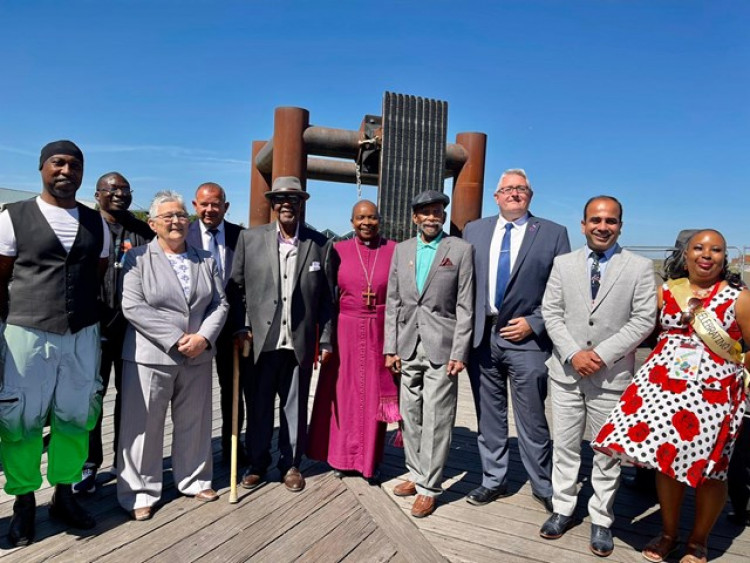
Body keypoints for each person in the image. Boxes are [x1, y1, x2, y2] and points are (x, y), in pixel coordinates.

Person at [592, 229, 750, 563]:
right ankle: (668, 533)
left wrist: (741, 384)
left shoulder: (739, 297)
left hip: (714, 395)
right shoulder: (667, 291)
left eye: (716, 249)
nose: (706, 255)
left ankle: (698, 540)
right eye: (699, 248)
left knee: (711, 471)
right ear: (686, 254)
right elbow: (641, 329)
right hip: (664, 391)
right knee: (666, 463)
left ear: (724, 257)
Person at [0, 140, 110, 546]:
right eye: (57, 163)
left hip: (81, 334)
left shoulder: (96, 222)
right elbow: (2, 275)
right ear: (42, 168)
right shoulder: (13, 217)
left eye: (75, 165)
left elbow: (95, 275)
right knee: (21, 420)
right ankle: (24, 501)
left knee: (76, 417)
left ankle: (63, 494)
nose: (66, 171)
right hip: (26, 331)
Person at [539, 196, 657, 557]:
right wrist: (574, 353)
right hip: (566, 372)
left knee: (606, 453)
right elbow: (551, 311)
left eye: (610, 221)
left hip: (611, 376)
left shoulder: (638, 267)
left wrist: (601, 355)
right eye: (595, 220)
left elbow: (643, 320)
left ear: (621, 224)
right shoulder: (563, 263)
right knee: (566, 445)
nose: (602, 226)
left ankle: (601, 520)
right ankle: (563, 508)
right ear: (583, 224)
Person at [117, 191, 228, 521]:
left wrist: (204, 337)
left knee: (195, 422)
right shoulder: (136, 258)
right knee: (144, 427)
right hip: (150, 356)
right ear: (152, 224)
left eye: (181, 215)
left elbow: (219, 304)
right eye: (168, 216)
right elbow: (132, 306)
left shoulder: (205, 259)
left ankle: (194, 479)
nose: (177, 221)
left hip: (197, 355)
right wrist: (178, 339)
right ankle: (139, 490)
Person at [463, 169, 570, 511]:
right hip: (483, 336)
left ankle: (543, 484)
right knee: (489, 415)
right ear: (496, 197)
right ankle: (493, 479)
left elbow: (561, 290)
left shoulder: (553, 233)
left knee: (532, 416)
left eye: (520, 189)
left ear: (530, 195)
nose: (513, 194)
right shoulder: (474, 230)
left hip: (527, 341)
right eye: (507, 189)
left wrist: (536, 322)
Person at [231, 176, 334, 493]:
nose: (287, 204)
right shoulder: (250, 239)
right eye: (280, 199)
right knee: (259, 407)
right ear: (273, 204)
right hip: (260, 342)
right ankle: (258, 463)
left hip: (298, 343)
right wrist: (240, 325)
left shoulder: (319, 244)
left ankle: (290, 463)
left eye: (294, 199)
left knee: (294, 408)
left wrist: (326, 339)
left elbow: (328, 299)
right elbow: (236, 288)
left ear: (302, 203)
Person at [384, 190, 474, 518]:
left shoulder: (460, 250)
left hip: (443, 347)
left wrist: (460, 351)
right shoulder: (402, 251)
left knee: (437, 418)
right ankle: (416, 472)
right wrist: (390, 347)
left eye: (438, 211)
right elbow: (393, 301)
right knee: (410, 415)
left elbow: (465, 306)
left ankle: (429, 487)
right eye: (426, 212)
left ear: (443, 215)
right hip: (407, 345)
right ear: (415, 217)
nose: (432, 217)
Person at [308, 200, 399, 482]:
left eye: (372, 217)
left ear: (379, 220)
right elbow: (325, 297)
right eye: (361, 218)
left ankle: (370, 460)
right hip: (345, 330)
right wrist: (323, 340)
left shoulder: (394, 250)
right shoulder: (338, 251)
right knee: (343, 396)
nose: (366, 223)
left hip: (381, 331)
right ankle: (342, 458)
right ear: (352, 222)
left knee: (374, 397)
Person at [73, 172, 153, 494]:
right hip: (92, 329)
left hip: (133, 331)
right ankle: (88, 464)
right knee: (91, 398)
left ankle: (125, 462)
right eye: (112, 188)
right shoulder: (85, 227)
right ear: (97, 194)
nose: (120, 194)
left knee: (130, 398)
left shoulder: (144, 232)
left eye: (125, 189)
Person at [187, 181, 247, 465]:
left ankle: (232, 445)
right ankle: (192, 451)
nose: (210, 209)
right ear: (195, 205)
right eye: (204, 204)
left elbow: (248, 285)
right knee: (191, 392)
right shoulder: (182, 235)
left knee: (232, 390)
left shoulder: (241, 237)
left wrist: (243, 325)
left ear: (226, 206)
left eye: (216, 204)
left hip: (232, 328)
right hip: (194, 330)